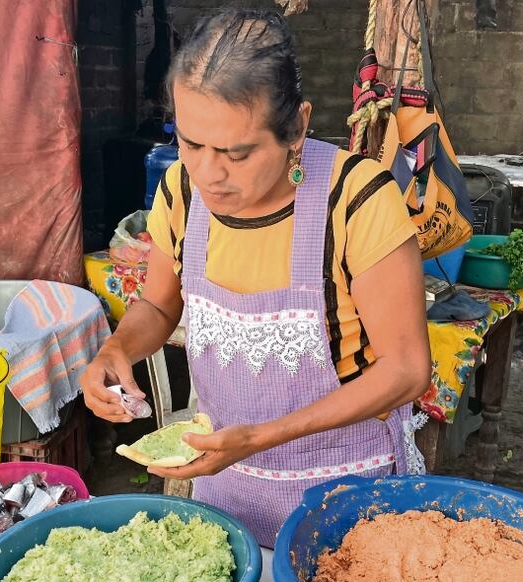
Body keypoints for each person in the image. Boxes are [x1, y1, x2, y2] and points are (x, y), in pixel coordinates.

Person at [81, 8, 432, 547]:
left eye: (237, 153)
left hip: (346, 498)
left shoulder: (355, 199)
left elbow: (406, 370)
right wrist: (115, 352)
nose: (208, 172)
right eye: (191, 143)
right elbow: (157, 307)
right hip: (225, 486)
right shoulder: (180, 192)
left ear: (297, 128)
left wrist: (263, 438)